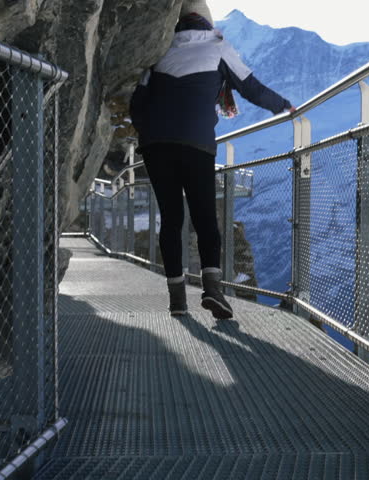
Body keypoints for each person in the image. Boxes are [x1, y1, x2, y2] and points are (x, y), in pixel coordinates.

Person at [129, 0, 294, 319]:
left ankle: (177, 300)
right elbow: (250, 87)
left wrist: (151, 132)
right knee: (205, 217)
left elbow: (137, 102)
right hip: (196, 142)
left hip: (156, 145)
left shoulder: (159, 51)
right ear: (207, 22)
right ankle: (213, 290)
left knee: (171, 218)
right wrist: (285, 106)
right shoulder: (218, 46)